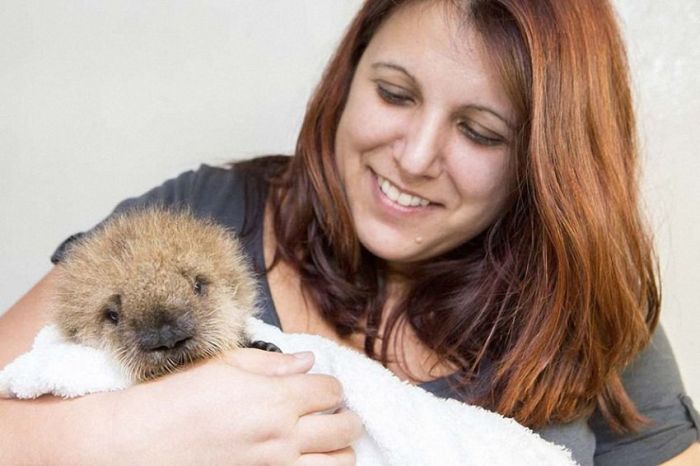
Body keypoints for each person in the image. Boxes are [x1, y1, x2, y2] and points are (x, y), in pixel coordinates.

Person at [1, 0, 698, 464]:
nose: (415, 157)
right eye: (394, 94)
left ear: (546, 161)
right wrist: (125, 438)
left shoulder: (584, 298)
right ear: (348, 75)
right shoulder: (200, 218)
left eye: (480, 133)